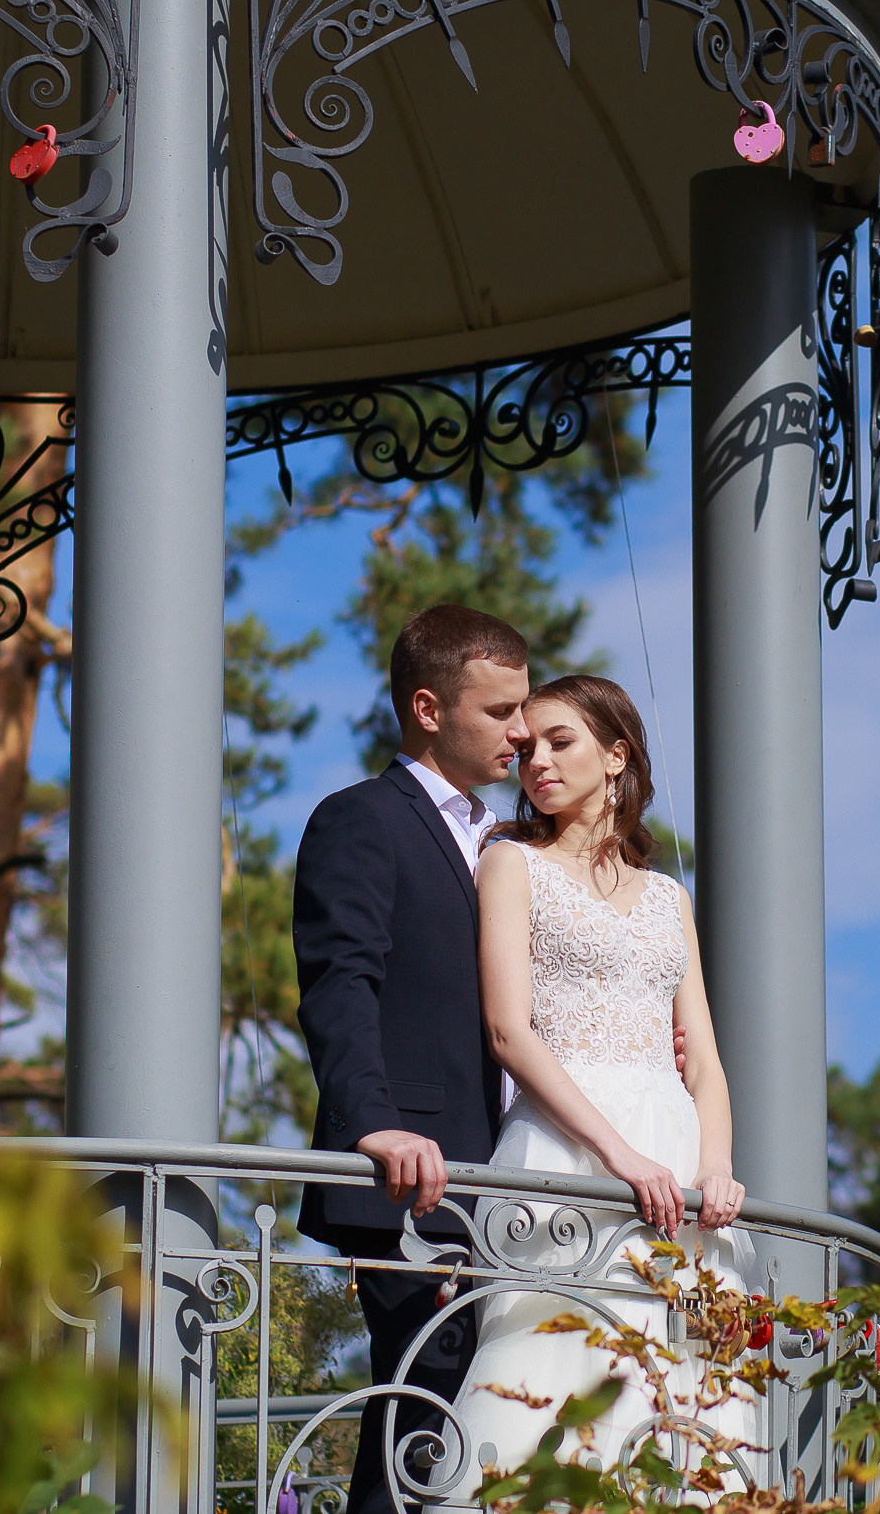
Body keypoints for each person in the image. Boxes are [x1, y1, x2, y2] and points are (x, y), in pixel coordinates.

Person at [448, 674, 758, 1495]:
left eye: (560, 741)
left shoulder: (669, 899)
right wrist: (619, 1156)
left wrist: (715, 1170)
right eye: (525, 750)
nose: (536, 762)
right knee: (556, 1370)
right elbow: (509, 1030)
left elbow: (705, 1061)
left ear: (616, 754)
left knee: (689, 1389)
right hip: (569, 1150)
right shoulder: (511, 864)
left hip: (677, 1158)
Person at [294, 604, 529, 1514]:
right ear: (428, 709)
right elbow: (339, 983)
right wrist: (373, 1121)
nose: (521, 731)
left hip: (517, 1173)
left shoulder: (514, 844)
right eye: (500, 711)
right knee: (429, 1411)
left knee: (484, 1416)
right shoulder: (359, 820)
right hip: (413, 1172)